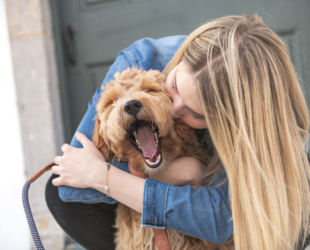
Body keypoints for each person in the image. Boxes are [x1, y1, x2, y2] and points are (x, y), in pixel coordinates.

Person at [45, 15, 310, 250]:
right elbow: (71, 187)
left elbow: (220, 220)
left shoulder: (258, 122)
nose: (173, 108)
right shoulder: (142, 58)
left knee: (292, 219)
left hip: (243, 216)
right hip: (160, 195)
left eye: (197, 113)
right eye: (174, 86)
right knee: (56, 193)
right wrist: (178, 172)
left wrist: (101, 175)